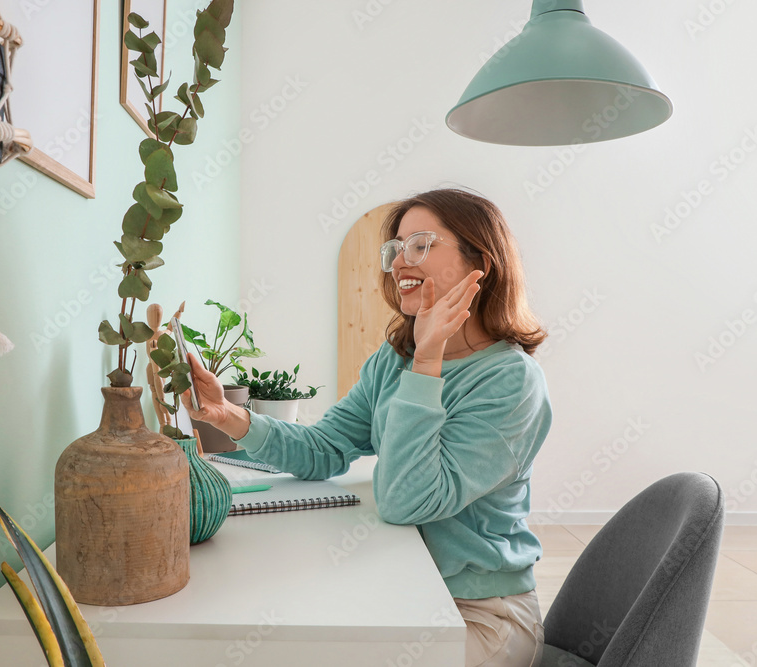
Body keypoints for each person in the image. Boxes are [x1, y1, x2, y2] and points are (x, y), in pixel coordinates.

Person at [181, 188, 552, 667]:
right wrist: (229, 417)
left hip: (479, 614)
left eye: (420, 244)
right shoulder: (393, 360)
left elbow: (406, 502)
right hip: (407, 588)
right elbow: (325, 447)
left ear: (480, 261)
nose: (399, 263)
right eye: (395, 249)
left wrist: (426, 362)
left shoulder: (511, 381)